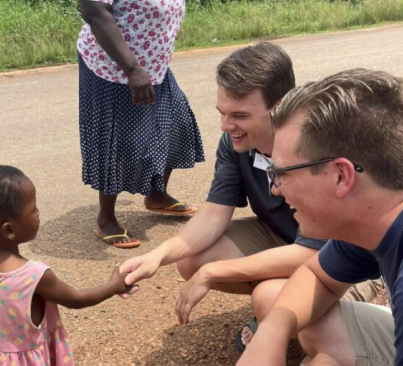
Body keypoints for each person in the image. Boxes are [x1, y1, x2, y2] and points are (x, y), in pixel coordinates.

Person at [120, 43, 380, 349]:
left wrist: (213, 272)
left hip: (340, 259)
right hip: (283, 237)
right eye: (222, 113)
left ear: (279, 106)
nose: (226, 126)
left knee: (275, 304)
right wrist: (157, 256)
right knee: (191, 260)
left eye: (239, 115)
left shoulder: (316, 147)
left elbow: (316, 252)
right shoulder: (236, 142)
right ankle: (281, 298)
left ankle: (307, 313)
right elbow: (213, 215)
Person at [76, 0, 204, 249]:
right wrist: (132, 68)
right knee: (118, 141)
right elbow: (94, 10)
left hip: (154, 66)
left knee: (175, 126)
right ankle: (106, 217)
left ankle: (156, 194)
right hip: (115, 67)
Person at [237, 68, 403, 366]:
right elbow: (317, 276)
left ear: (341, 175)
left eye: (281, 173)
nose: (275, 189)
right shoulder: (373, 220)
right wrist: (272, 332)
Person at [0, 166, 136, 366]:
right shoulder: (33, 275)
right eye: (33, 209)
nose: (38, 213)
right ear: (9, 230)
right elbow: (77, 299)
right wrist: (113, 286)